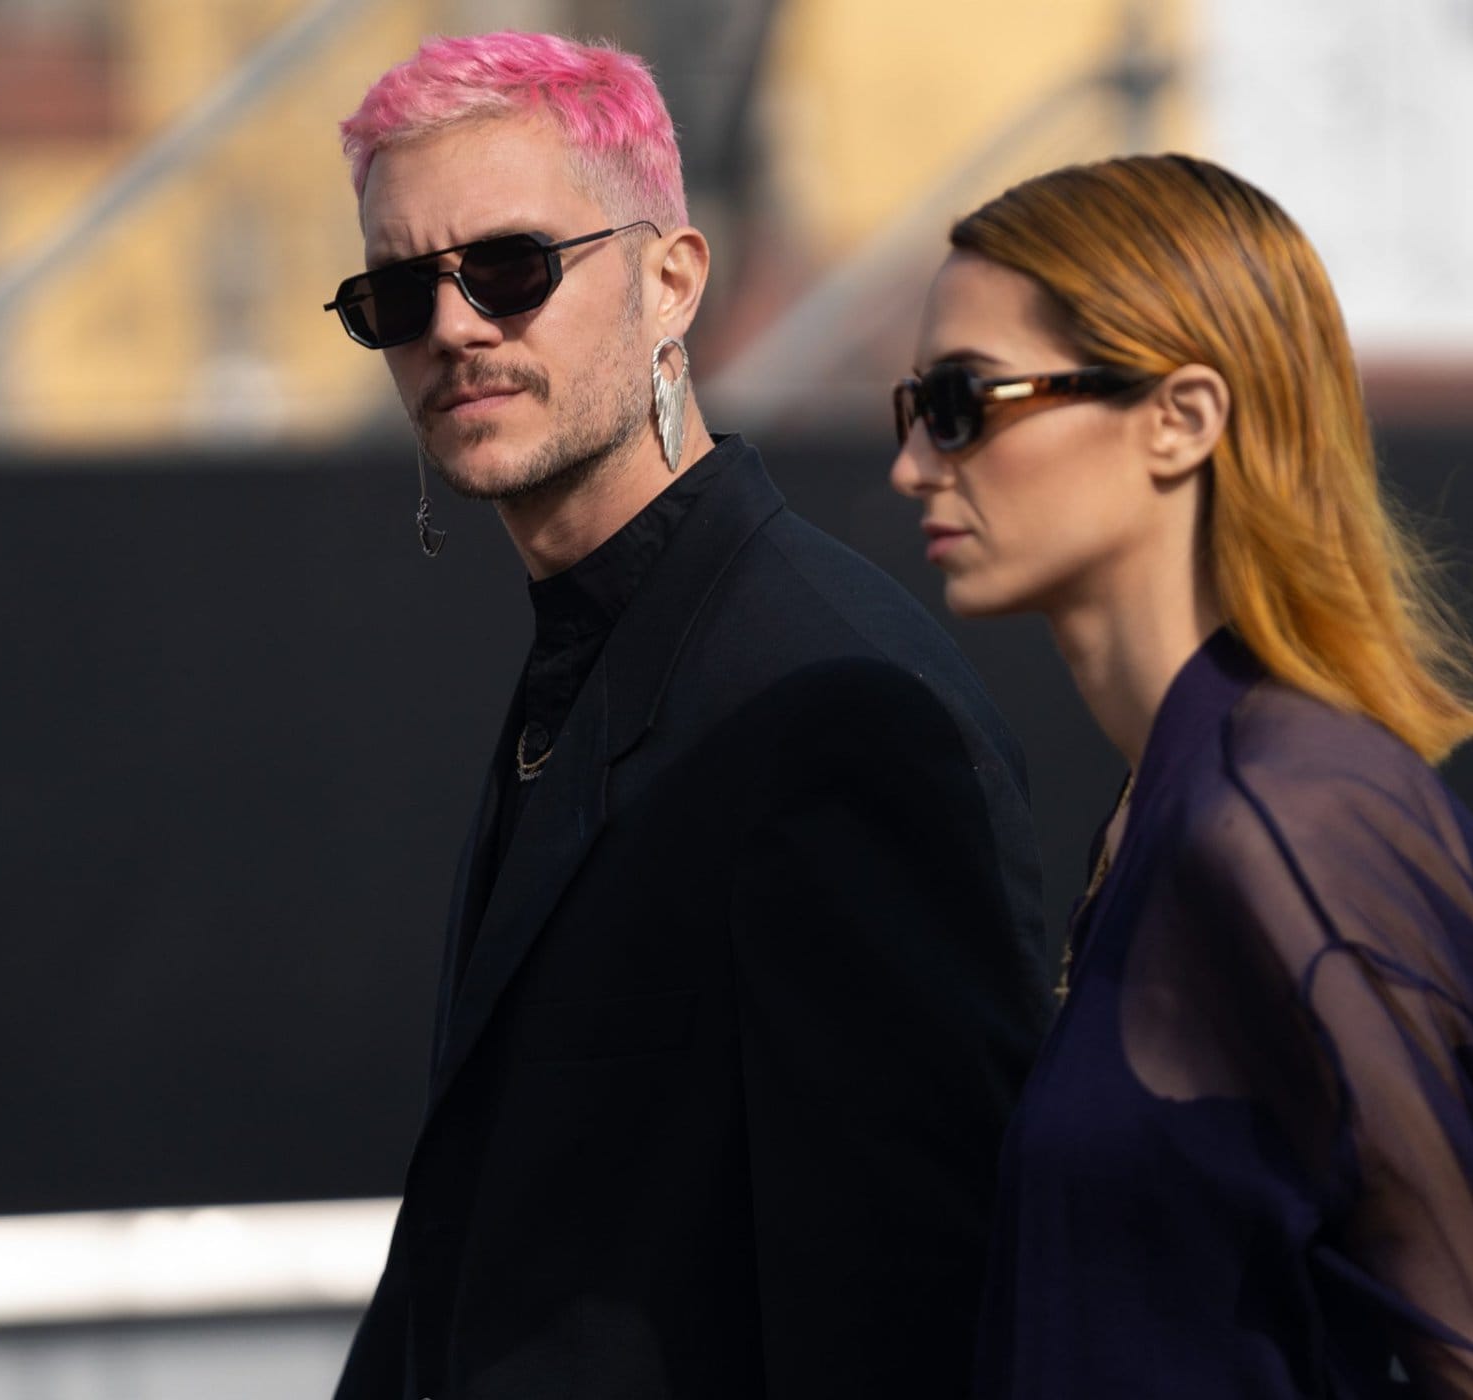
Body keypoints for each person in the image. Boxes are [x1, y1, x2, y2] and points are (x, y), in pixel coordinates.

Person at [322, 32, 1052, 1400]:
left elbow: (913, 1307)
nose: (455, 327)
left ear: (672, 281)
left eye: (513, 267)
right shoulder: (600, 653)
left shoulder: (830, 707)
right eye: (399, 293)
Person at [890, 154, 1473, 1398]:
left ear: (1182, 417)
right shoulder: (1175, 799)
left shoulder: (1284, 817)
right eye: (911, 406)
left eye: (961, 401)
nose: (913, 463)